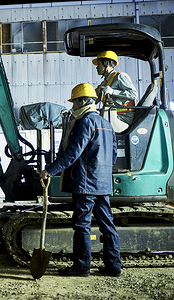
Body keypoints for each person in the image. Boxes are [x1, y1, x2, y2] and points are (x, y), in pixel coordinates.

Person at [40, 83, 121, 277]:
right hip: (103, 184)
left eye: (74, 103)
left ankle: (82, 267)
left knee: (82, 225)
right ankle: (113, 267)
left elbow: (72, 153)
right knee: (107, 225)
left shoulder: (85, 122)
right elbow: (114, 156)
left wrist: (50, 170)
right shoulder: (107, 124)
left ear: (83, 101)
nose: (73, 107)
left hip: (86, 185)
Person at [93, 50, 138, 129]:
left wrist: (113, 92)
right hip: (112, 115)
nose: (97, 67)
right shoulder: (104, 84)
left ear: (107, 63)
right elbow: (92, 98)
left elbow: (134, 94)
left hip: (124, 117)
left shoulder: (120, 76)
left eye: (99, 64)